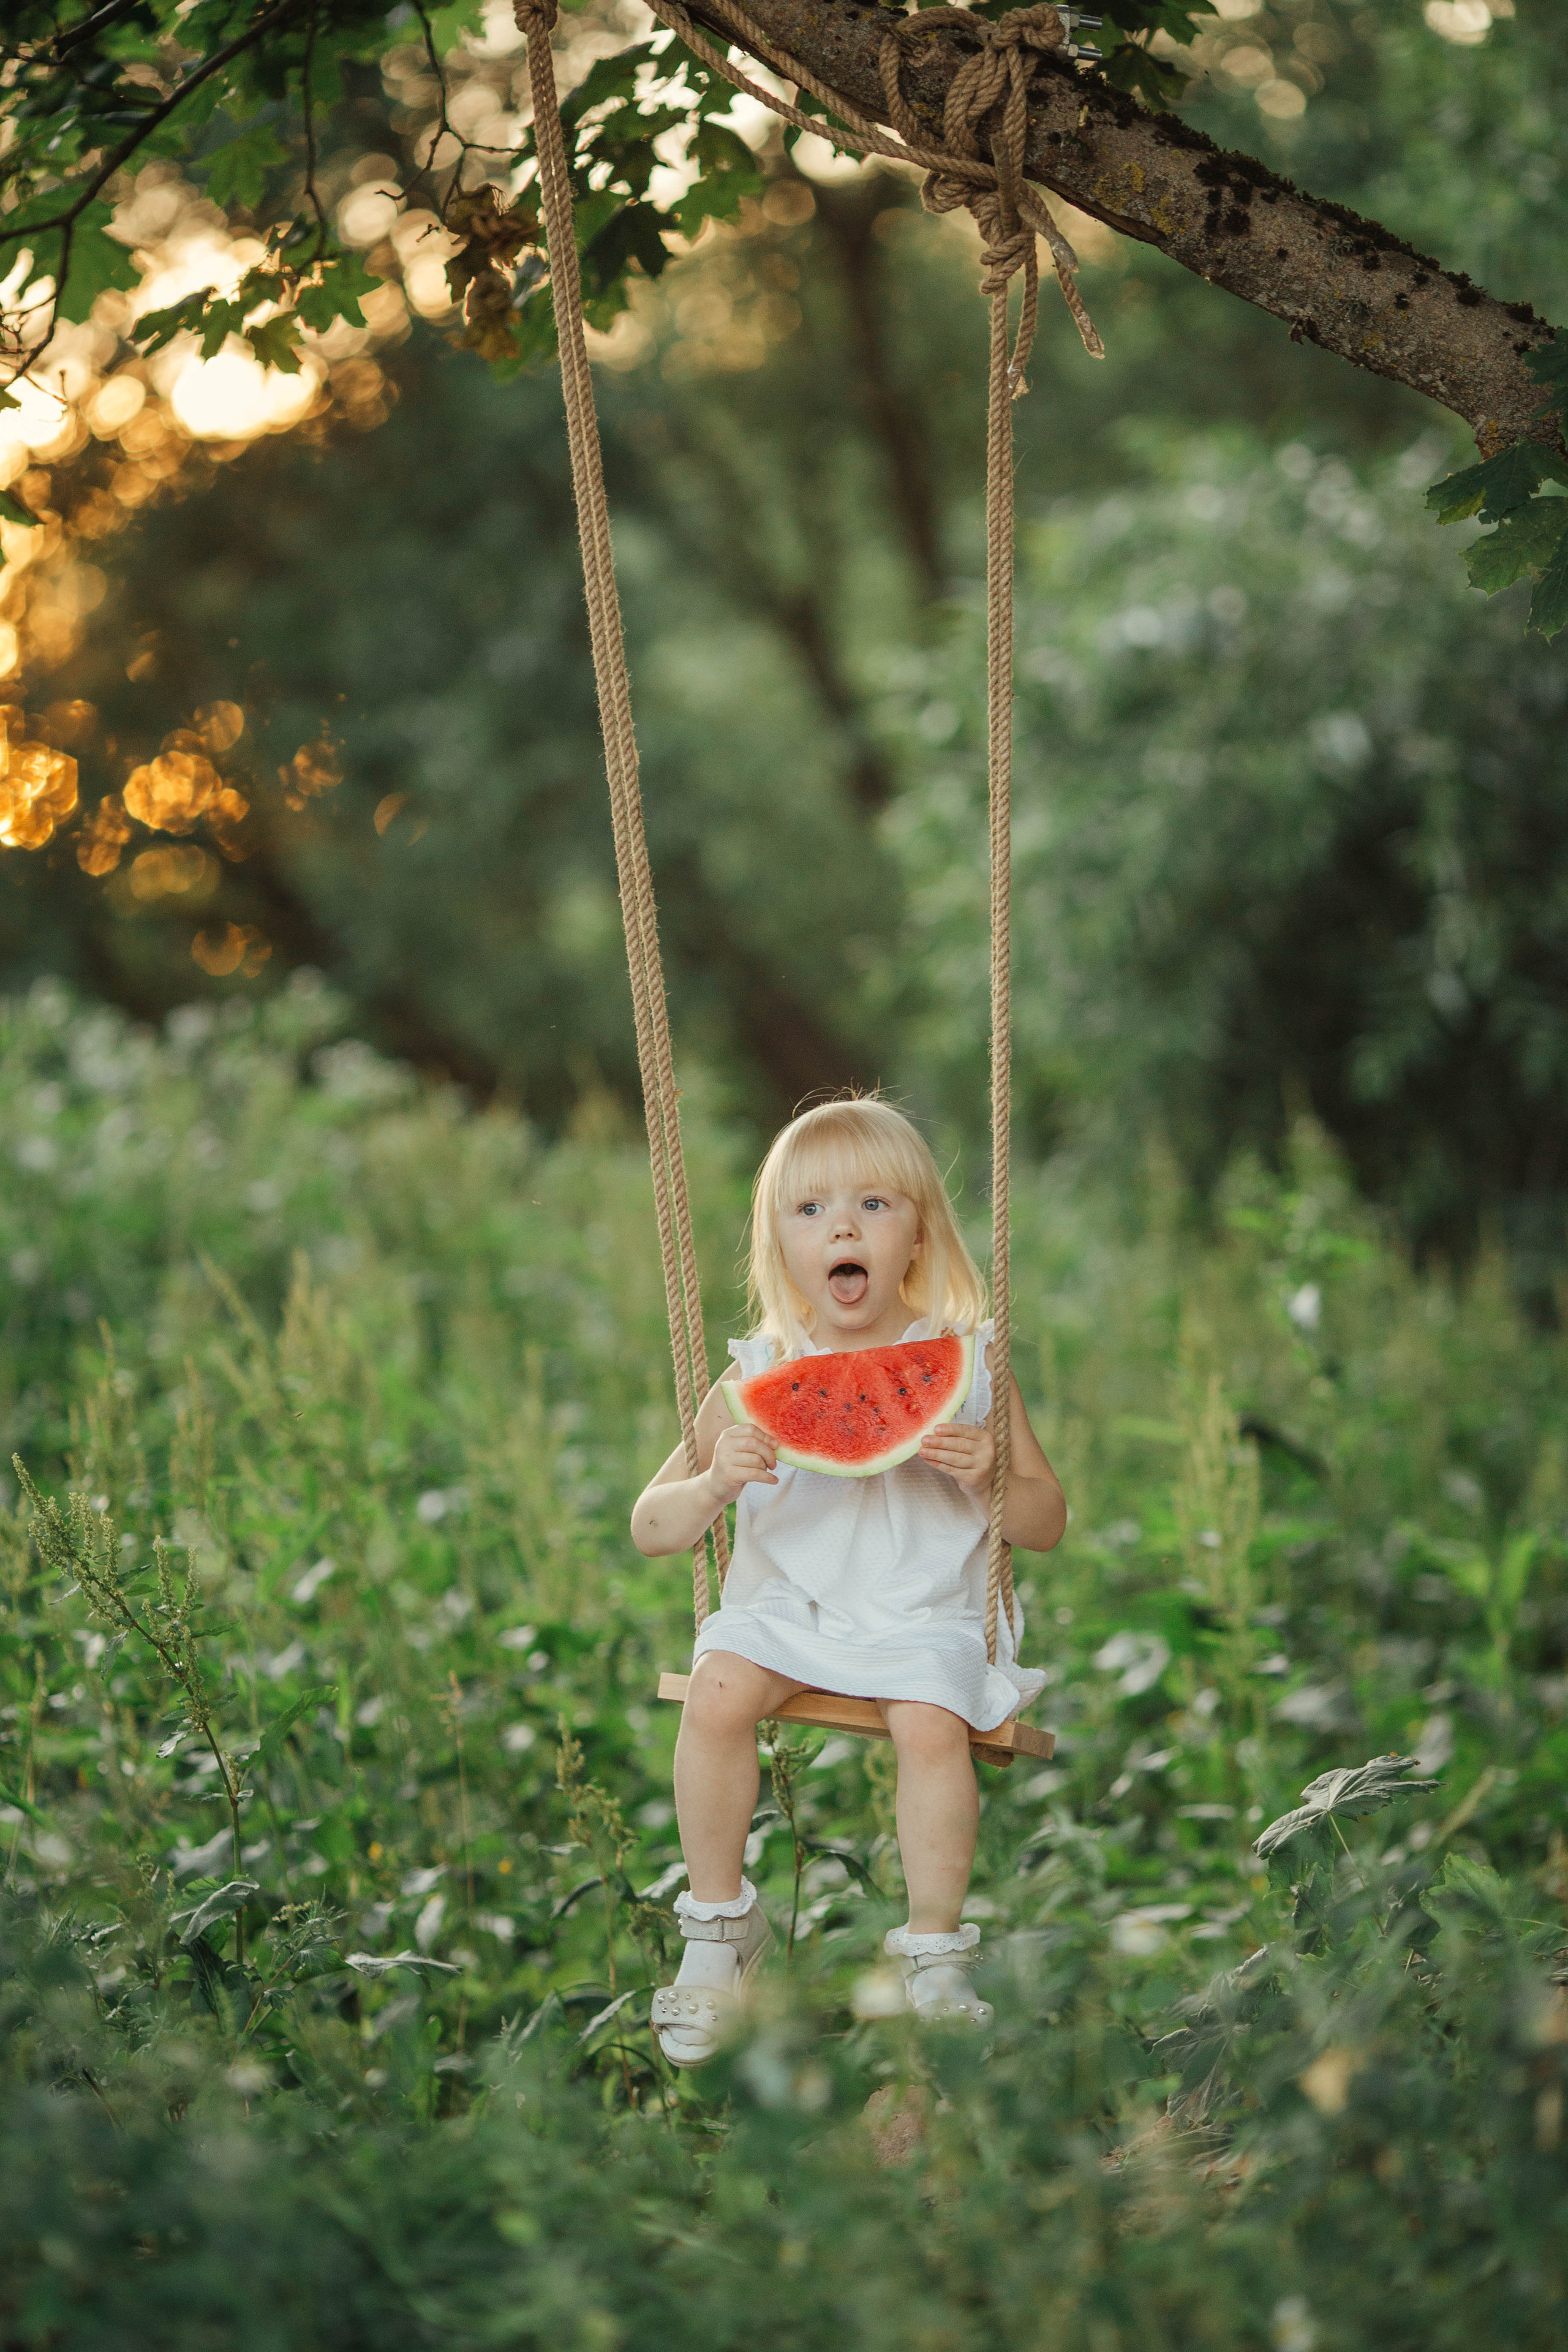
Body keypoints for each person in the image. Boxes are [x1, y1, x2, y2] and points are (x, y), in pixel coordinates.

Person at [631, 1096, 1066, 2067]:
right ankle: (715, 1931)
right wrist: (714, 1480)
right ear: (780, 1244)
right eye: (810, 1209)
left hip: (926, 1618)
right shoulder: (758, 1374)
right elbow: (651, 1527)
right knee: (716, 1686)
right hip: (791, 1612)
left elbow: (1047, 1520)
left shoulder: (973, 1363)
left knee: (927, 1721)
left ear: (917, 1234)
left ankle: (934, 1957)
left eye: (874, 1204)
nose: (841, 1226)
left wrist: (991, 1471)